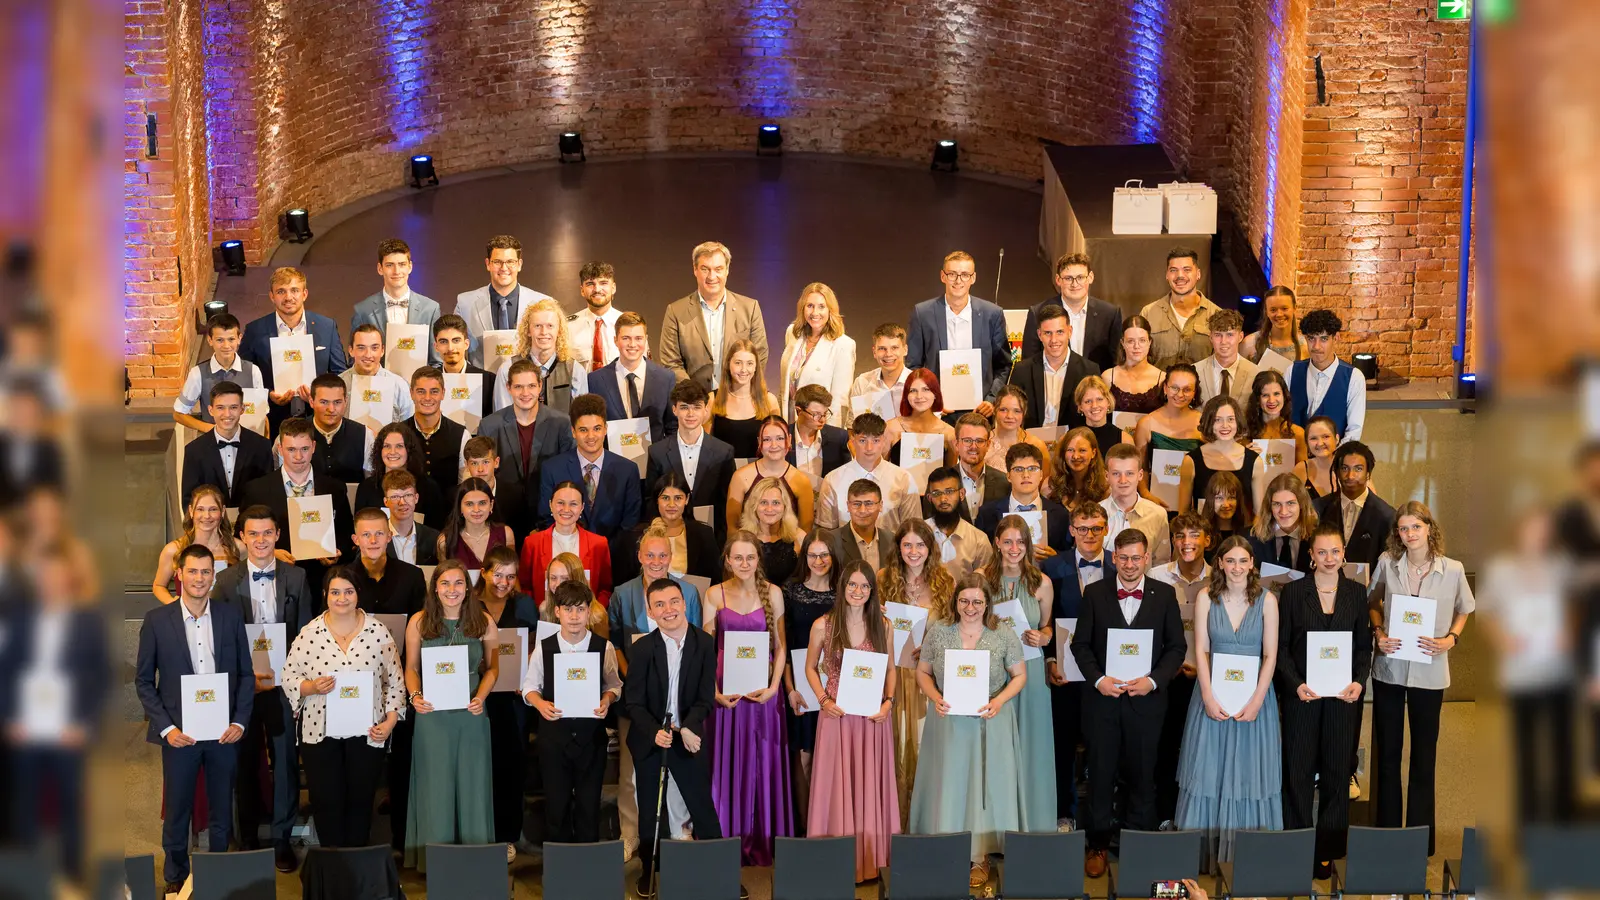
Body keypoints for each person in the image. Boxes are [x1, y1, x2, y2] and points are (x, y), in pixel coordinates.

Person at [135, 544, 253, 892]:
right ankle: (174, 877)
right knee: (177, 810)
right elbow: (143, 681)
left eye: (206, 571)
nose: (200, 578)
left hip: (223, 734)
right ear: (179, 575)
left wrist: (240, 722)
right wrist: (167, 728)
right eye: (193, 571)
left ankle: (216, 874)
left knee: (221, 809)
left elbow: (246, 675)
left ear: (212, 576)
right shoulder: (157, 621)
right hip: (179, 734)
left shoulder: (230, 616)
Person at [1070, 528, 1186, 878]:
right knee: (1101, 774)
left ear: (1147, 558)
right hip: (1102, 703)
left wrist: (1152, 681)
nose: (1131, 564)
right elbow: (1080, 646)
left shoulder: (1165, 595)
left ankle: (1139, 845)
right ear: (1114, 558)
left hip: (1146, 704)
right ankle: (1098, 845)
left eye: (1137, 557)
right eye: (1124, 558)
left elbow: (1176, 648)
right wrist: (1099, 680)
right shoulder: (1094, 593)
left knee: (1143, 774)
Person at [909, 573, 1029, 888]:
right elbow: (922, 671)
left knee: (983, 788)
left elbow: (1019, 675)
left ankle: (979, 857)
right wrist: (935, 697)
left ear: (987, 602)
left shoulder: (1002, 633)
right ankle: (945, 849)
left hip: (990, 720)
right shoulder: (939, 632)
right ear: (956, 601)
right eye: (964, 600)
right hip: (949, 721)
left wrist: (999, 701)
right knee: (949, 784)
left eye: (977, 601)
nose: (970, 607)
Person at [1368, 501, 1473, 857]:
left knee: (1424, 757)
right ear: (1396, 533)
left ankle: (1419, 839)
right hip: (1391, 670)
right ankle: (1386, 835)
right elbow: (1373, 600)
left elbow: (1465, 608)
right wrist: (1378, 631)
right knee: (1388, 756)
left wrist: (1450, 639)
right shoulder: (1386, 562)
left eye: (1416, 527)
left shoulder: (1454, 569)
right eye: (1403, 528)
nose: (1409, 534)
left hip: (1430, 671)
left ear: (1430, 528)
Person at [211, 506, 314, 869]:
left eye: (266, 533)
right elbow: (221, 639)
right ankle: (250, 836)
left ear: (278, 535)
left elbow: (304, 635)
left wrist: (294, 682)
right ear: (241, 537)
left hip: (285, 685)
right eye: (252, 534)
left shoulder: (297, 577)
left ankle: (282, 838)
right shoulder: (224, 582)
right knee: (244, 760)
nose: (260, 540)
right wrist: (243, 680)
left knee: (285, 761)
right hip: (244, 686)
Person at [0, 545, 110, 880]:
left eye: (57, 575)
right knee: (26, 807)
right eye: (45, 576)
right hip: (26, 731)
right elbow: (5, 672)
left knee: (70, 809)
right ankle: (29, 878)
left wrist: (85, 725)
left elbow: (102, 678)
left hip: (68, 732)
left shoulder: (89, 622)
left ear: (68, 579)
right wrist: (9, 719)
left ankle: (72, 874)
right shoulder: (21, 621)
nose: (51, 582)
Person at [1173, 536, 1282, 872]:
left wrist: (1257, 701)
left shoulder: (1267, 601)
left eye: (1243, 561)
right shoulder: (1207, 597)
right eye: (1230, 561)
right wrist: (1207, 695)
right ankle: (1205, 856)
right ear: (1219, 563)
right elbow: (1201, 650)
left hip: (1254, 703)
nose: (1236, 568)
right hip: (1212, 698)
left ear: (1252, 564)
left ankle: (1247, 858)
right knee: (1209, 771)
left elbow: (1271, 654)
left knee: (1250, 774)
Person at [281, 564, 406, 849]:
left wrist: (389, 722)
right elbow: (289, 677)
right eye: (335, 592)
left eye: (348, 591)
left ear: (358, 594)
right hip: (319, 735)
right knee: (326, 802)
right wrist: (311, 687)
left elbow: (396, 684)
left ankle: (358, 868)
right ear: (325, 594)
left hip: (368, 733)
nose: (342, 598)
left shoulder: (379, 633)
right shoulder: (309, 633)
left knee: (361, 802)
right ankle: (333, 869)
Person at [1276, 524, 1372, 878]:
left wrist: (1359, 683)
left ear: (1343, 553)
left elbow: (1364, 648)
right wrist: (1295, 684)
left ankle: (1327, 851)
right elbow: (1282, 648)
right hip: (1303, 696)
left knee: (1336, 773)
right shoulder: (1293, 593)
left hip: (1343, 699)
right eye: (1322, 552)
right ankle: (1297, 846)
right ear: (1311, 556)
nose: (1329, 558)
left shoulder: (1356, 593)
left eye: (1335, 551)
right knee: (1297, 774)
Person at [608, 528, 706, 862]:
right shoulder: (624, 593)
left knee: (682, 774)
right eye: (649, 555)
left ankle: (680, 830)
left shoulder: (689, 592)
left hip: (679, 704)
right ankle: (631, 835)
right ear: (639, 557)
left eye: (663, 555)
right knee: (631, 774)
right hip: (638, 701)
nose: (656, 561)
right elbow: (615, 639)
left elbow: (692, 644)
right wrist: (630, 673)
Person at [803, 560, 899, 882]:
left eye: (864, 586)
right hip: (838, 717)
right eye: (852, 585)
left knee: (869, 785)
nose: (858, 592)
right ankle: (837, 863)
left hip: (872, 719)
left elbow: (891, 670)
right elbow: (810, 668)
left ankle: (872, 862)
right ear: (842, 587)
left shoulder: (883, 625)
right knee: (837, 787)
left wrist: (889, 703)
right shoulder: (823, 625)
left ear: (872, 591)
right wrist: (823, 700)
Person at [702, 532, 793, 869]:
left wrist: (772, 689)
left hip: (764, 696)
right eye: (737, 558)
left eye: (750, 558)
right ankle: (727, 841)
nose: (743, 564)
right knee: (726, 764)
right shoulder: (714, 594)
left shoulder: (774, 594)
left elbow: (780, 647)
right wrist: (713, 692)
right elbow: (706, 652)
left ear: (758, 560)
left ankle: (763, 840)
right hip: (726, 696)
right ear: (727, 560)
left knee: (763, 765)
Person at [626, 578, 723, 895]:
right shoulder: (641, 649)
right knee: (649, 814)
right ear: (651, 612)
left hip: (688, 734)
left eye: (673, 602)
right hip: (650, 737)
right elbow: (634, 703)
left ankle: (718, 872)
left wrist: (690, 729)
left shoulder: (705, 643)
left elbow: (705, 697)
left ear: (684, 604)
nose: (668, 609)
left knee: (702, 807)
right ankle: (650, 871)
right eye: (659, 605)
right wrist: (655, 732)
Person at [344, 501, 429, 854]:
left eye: (380, 533)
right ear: (355, 539)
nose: (374, 540)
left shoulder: (411, 576)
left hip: (401, 679)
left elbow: (423, 626)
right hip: (358, 683)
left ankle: (402, 843)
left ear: (389, 535)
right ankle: (359, 845)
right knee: (361, 765)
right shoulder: (342, 578)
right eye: (367, 534)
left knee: (404, 763)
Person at [403, 560, 499, 868]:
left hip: (471, 713)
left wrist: (481, 697)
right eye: (445, 583)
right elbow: (411, 668)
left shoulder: (483, 621)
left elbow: (493, 667)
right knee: (436, 788)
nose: (452, 590)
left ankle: (476, 863)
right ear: (434, 588)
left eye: (458, 583)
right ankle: (437, 863)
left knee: (473, 785)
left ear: (468, 588)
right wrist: (415, 696)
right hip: (432, 716)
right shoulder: (419, 621)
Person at [523, 578, 621, 845]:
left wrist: (607, 699)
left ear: (589, 611)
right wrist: (541, 704)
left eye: (580, 609)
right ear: (557, 612)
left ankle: (587, 871)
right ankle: (560, 873)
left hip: (591, 740)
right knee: (557, 807)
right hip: (555, 739)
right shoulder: (545, 647)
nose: (574, 616)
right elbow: (530, 687)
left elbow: (614, 684)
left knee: (589, 808)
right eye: (568, 609)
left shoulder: (604, 647)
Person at [980, 515, 1058, 832]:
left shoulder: (1043, 583)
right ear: (997, 543)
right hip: (993, 673)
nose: (1015, 548)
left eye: (1021, 541)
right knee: (994, 750)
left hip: (1032, 669)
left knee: (1032, 747)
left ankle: (1033, 826)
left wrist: (1045, 637)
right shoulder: (979, 579)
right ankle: (994, 830)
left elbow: (1048, 627)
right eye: (1008, 541)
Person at [878, 517, 954, 828]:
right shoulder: (883, 579)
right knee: (894, 751)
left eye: (920, 545)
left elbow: (953, 630)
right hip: (892, 676)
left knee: (924, 750)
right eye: (907, 544)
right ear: (898, 548)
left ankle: (925, 824)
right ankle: (894, 826)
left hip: (927, 677)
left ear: (929, 548)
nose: (913, 551)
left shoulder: (945, 582)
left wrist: (933, 650)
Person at [1043, 504, 1113, 831]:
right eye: (1082, 528)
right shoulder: (1051, 567)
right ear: (1071, 530)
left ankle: (1103, 823)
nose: (1089, 535)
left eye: (1096, 528)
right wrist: (1050, 660)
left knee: (1105, 751)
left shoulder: (1120, 564)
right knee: (1062, 749)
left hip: (1108, 676)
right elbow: (1043, 620)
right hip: (1065, 677)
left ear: (1106, 529)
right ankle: (1064, 814)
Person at [468, 545, 540, 852]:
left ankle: (509, 835)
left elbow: (537, 645)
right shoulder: (468, 604)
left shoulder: (524, 604)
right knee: (478, 765)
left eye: (511, 576)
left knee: (512, 766)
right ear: (484, 572)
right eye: (498, 574)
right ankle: (479, 831)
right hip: (477, 697)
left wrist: (525, 677)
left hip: (513, 700)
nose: (503, 582)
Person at [235, 417, 354, 588]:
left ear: (313, 447)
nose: (298, 456)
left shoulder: (335, 488)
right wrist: (270, 552)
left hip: (321, 582)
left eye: (304, 449)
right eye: (291, 449)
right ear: (280, 449)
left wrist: (337, 553)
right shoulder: (256, 490)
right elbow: (240, 534)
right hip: (274, 579)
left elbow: (346, 533)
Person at [1148, 511, 1211, 824]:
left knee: (1198, 752)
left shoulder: (1220, 578)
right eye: (1180, 536)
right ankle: (1163, 818)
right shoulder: (1156, 576)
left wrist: (1204, 669)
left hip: (1203, 680)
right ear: (1172, 541)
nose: (1187, 542)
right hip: (1164, 678)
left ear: (1207, 540)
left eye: (1194, 535)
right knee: (1162, 750)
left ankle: (1194, 820)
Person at [906, 250, 1013, 418]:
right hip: (937, 413)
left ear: (973, 278)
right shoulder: (923, 313)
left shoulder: (992, 314)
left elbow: (1003, 365)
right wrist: (929, 399)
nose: (958, 280)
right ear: (943, 276)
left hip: (981, 413)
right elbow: (913, 366)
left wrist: (991, 400)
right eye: (952, 274)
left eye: (964, 274)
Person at [239, 267, 349, 430]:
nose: (288, 297)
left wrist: (318, 394)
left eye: (294, 290)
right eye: (281, 291)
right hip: (273, 420)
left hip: (318, 419)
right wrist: (268, 394)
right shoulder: (255, 330)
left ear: (304, 294)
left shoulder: (326, 327)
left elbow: (340, 374)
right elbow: (244, 377)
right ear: (272, 296)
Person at [659, 241, 769, 391]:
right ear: (695, 270)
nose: (712, 276)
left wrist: (736, 392)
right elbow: (671, 363)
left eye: (718, 269)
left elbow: (759, 355)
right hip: (695, 404)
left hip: (738, 402)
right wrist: (698, 398)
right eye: (705, 269)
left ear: (727, 270)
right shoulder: (675, 311)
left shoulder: (750, 308)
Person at [783, 529, 838, 827]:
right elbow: (785, 643)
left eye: (824, 554)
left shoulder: (845, 590)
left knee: (831, 759)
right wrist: (790, 689)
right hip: (802, 687)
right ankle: (806, 826)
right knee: (804, 758)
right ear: (804, 557)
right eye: (813, 555)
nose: (819, 561)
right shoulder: (790, 591)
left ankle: (830, 823)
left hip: (836, 686)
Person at [537, 393, 643, 541]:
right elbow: (546, 518)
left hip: (613, 556)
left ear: (605, 429)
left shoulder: (628, 470)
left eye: (597, 428)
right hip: (566, 556)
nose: (591, 436)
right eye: (583, 430)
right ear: (573, 432)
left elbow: (630, 523)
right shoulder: (552, 469)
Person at [645, 379, 737, 543]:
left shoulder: (724, 452)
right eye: (684, 407)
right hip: (668, 537)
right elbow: (650, 501)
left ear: (706, 410)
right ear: (674, 410)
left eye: (696, 407)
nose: (690, 414)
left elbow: (727, 504)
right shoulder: (657, 452)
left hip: (712, 538)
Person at [477, 359, 575, 513]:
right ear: (508, 388)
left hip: (548, 512)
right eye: (518, 387)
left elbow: (568, 472)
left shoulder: (561, 423)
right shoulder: (489, 426)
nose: (525, 393)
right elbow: (481, 475)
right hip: (502, 513)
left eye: (531, 386)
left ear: (540, 387)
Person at [454, 234, 553, 368]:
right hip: (482, 385)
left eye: (510, 262)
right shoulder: (465, 303)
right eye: (497, 262)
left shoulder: (542, 303)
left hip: (528, 385)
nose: (504, 268)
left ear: (519, 264)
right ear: (488, 264)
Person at [816, 412, 921, 532]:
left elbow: (913, 530)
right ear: (852, 441)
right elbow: (826, 532)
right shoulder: (833, 479)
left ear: (884, 441)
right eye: (862, 441)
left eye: (875, 441)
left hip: (891, 549)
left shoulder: (903, 479)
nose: (869, 448)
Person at [614, 472, 722, 586]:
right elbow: (624, 583)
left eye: (678, 498)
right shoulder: (635, 536)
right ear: (656, 500)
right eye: (665, 498)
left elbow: (715, 579)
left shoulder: (704, 534)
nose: (671, 504)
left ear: (687, 499)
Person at [181, 381, 275, 510]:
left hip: (251, 525)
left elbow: (267, 493)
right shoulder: (194, 450)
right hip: (211, 526)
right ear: (211, 410)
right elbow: (189, 501)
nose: (227, 414)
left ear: (242, 409)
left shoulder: (261, 446)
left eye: (233, 407)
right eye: (220, 408)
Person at [1021, 252, 1123, 371]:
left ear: (1090, 277)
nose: (1075, 284)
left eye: (1080, 277)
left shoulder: (1110, 314)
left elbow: (1116, 362)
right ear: (1058, 280)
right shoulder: (1038, 313)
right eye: (1068, 278)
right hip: (1051, 386)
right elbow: (1028, 363)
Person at [520, 481, 614, 608]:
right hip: (543, 619)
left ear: (581, 507)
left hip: (586, 620)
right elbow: (525, 587)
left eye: (573, 504)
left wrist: (593, 612)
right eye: (560, 503)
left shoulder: (599, 544)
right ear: (550, 505)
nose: (566, 509)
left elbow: (605, 589)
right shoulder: (532, 543)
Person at [586, 310, 678, 441]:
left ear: (646, 340)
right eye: (626, 338)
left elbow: (672, 427)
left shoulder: (666, 378)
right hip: (613, 459)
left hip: (655, 459)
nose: (632, 344)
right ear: (615, 340)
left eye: (638, 338)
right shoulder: (595, 380)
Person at [350, 237, 442, 363]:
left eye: (402, 264)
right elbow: (355, 360)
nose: (397, 271)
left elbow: (436, 360)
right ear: (380, 268)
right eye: (389, 265)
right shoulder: (363, 310)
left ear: (410, 267)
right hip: (377, 382)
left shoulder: (430, 309)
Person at [975, 442, 1072, 557]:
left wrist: (1056, 557)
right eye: (1018, 469)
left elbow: (1069, 556)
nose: (1026, 475)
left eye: (1032, 468)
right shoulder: (987, 514)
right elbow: (981, 556)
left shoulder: (1060, 514)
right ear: (1008, 476)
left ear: (1041, 474)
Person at [1013, 304, 1101, 431]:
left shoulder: (1089, 370)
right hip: (1031, 444)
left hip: (1072, 445)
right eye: (1048, 333)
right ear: (1039, 334)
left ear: (1069, 332)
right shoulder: (1022, 370)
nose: (1054, 340)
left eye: (1060, 332)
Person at [1314, 440, 1397, 574]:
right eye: (1344, 468)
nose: (1350, 476)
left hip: (1366, 592)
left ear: (1368, 473)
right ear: (1336, 472)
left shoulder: (1386, 516)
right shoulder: (1318, 508)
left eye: (1358, 469)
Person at [779, 282, 856, 425]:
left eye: (821, 306)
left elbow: (840, 401)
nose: (815, 313)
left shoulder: (843, 344)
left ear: (830, 310)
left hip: (818, 426)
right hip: (790, 420)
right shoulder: (792, 333)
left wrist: (830, 437)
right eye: (810, 306)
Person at [173, 314, 264, 431]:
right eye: (220, 340)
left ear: (239, 339)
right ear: (210, 340)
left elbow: (262, 415)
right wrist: (212, 430)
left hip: (247, 442)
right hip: (212, 444)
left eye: (231, 339)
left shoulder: (253, 371)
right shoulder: (197, 374)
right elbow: (179, 413)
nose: (226, 346)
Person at [1178, 395, 1266, 515]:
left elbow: (1259, 513)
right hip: (1204, 532)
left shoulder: (1254, 461)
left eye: (1230, 419)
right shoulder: (1191, 461)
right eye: (1217, 420)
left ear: (1238, 421)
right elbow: (1183, 513)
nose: (1225, 425)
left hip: (1242, 532)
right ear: (1209, 422)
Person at [153, 486, 241, 604]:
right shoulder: (173, 550)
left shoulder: (237, 548)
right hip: (187, 620)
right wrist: (173, 604)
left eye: (213, 509)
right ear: (191, 511)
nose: (206, 516)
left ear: (223, 511)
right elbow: (158, 585)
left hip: (225, 619)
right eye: (200, 509)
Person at [1289, 309, 1366, 442]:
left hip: (1333, 458)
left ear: (1336, 338)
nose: (1316, 346)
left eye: (1323, 339)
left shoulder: (1354, 377)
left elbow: (1353, 432)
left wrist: (1332, 460)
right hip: (1295, 456)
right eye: (1311, 338)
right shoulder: (1291, 371)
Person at [728, 417, 816, 534]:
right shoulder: (740, 477)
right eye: (767, 439)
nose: (774, 445)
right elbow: (733, 528)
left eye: (780, 438)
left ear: (789, 439)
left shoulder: (801, 481)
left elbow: (805, 531)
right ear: (759, 442)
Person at [502, 297, 589, 414]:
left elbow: (581, 420)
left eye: (550, 326)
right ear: (528, 331)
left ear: (559, 331)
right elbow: (502, 419)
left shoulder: (575, 371)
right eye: (537, 326)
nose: (544, 332)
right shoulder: (507, 370)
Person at [352, 423, 447, 527]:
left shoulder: (429, 488)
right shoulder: (367, 487)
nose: (392, 452)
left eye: (399, 446)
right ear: (380, 450)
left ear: (409, 450)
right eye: (387, 446)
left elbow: (436, 531)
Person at [1140, 247, 1220, 368]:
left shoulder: (1216, 315)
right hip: (1159, 386)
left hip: (1202, 387)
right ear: (1167, 275)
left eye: (1187, 270)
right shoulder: (1148, 313)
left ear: (1198, 274)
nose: (1180, 275)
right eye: (1173, 270)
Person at [401, 366, 470, 504]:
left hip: (448, 515)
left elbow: (464, 484)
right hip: (408, 514)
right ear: (411, 393)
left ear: (443, 394)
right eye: (421, 392)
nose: (427, 398)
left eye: (434, 392)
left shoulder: (462, 434)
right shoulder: (398, 433)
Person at [707, 339, 780, 461]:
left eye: (749, 363)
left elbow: (777, 447)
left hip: (759, 474)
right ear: (728, 364)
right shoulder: (712, 400)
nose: (744, 369)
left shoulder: (769, 401)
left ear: (756, 366)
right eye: (738, 363)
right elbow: (706, 448)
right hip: (723, 473)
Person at [1101, 442, 1172, 565]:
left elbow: (1161, 564)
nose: (1123, 480)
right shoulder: (1096, 513)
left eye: (1129, 473)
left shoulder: (1158, 515)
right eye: (1116, 474)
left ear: (1140, 475)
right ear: (1107, 476)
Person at [1134, 363, 1204, 486]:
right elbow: (1141, 469)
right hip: (1157, 497)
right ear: (1165, 388)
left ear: (1194, 392)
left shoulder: (1203, 423)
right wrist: (1147, 496)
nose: (1180, 394)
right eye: (1174, 388)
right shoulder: (1146, 423)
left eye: (1187, 389)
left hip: (1194, 496)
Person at [462, 436, 535, 547]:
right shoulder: (455, 496)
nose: (480, 469)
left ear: (496, 462)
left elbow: (522, 535)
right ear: (466, 465)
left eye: (485, 462)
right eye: (474, 463)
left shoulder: (516, 494)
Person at [882, 367, 959, 472]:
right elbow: (881, 471)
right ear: (906, 395)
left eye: (926, 390)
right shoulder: (891, 428)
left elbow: (951, 476)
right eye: (913, 391)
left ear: (935, 394)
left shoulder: (950, 433)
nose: (919, 396)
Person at [341, 323, 417, 428]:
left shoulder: (399, 386)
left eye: (374, 348)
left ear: (382, 350)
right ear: (351, 351)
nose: (368, 355)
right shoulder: (339, 384)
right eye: (361, 348)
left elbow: (409, 428)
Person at [924, 466, 993, 579]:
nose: (943, 499)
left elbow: (986, 583)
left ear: (961, 494)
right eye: (936, 493)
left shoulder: (978, 540)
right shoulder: (918, 533)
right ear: (930, 497)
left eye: (949, 492)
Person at [437, 477, 515, 574]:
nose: (476, 509)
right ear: (460, 507)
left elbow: (512, 577)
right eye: (469, 504)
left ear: (491, 505)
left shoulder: (505, 533)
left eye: (482, 503)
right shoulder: (445, 541)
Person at [307, 374, 375, 486]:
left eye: (337, 402)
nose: (331, 409)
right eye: (324, 402)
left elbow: (371, 480)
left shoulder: (364, 434)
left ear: (345, 401)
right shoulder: (294, 433)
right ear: (311, 401)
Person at [942, 413, 1008, 521]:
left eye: (980, 441)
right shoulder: (941, 482)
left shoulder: (1005, 483)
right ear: (956, 444)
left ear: (988, 444)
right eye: (967, 440)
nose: (973, 446)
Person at [739, 476, 803, 585]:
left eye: (776, 503)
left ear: (785, 506)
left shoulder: (799, 537)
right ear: (754, 506)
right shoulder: (741, 539)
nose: (769, 509)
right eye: (763, 502)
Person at [786, 384, 851, 492]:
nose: (822, 420)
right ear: (799, 411)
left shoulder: (839, 438)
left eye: (825, 414)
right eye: (816, 414)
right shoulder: (782, 437)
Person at [432, 314, 497, 421]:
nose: (450, 348)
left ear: (466, 344)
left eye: (456, 340)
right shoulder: (429, 381)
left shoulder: (488, 380)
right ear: (436, 346)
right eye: (443, 342)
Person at [1250, 473, 1318, 574]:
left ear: (1302, 504)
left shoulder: (1317, 537)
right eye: (1277, 504)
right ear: (1269, 506)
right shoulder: (1253, 539)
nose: (1284, 512)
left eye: (1290, 503)